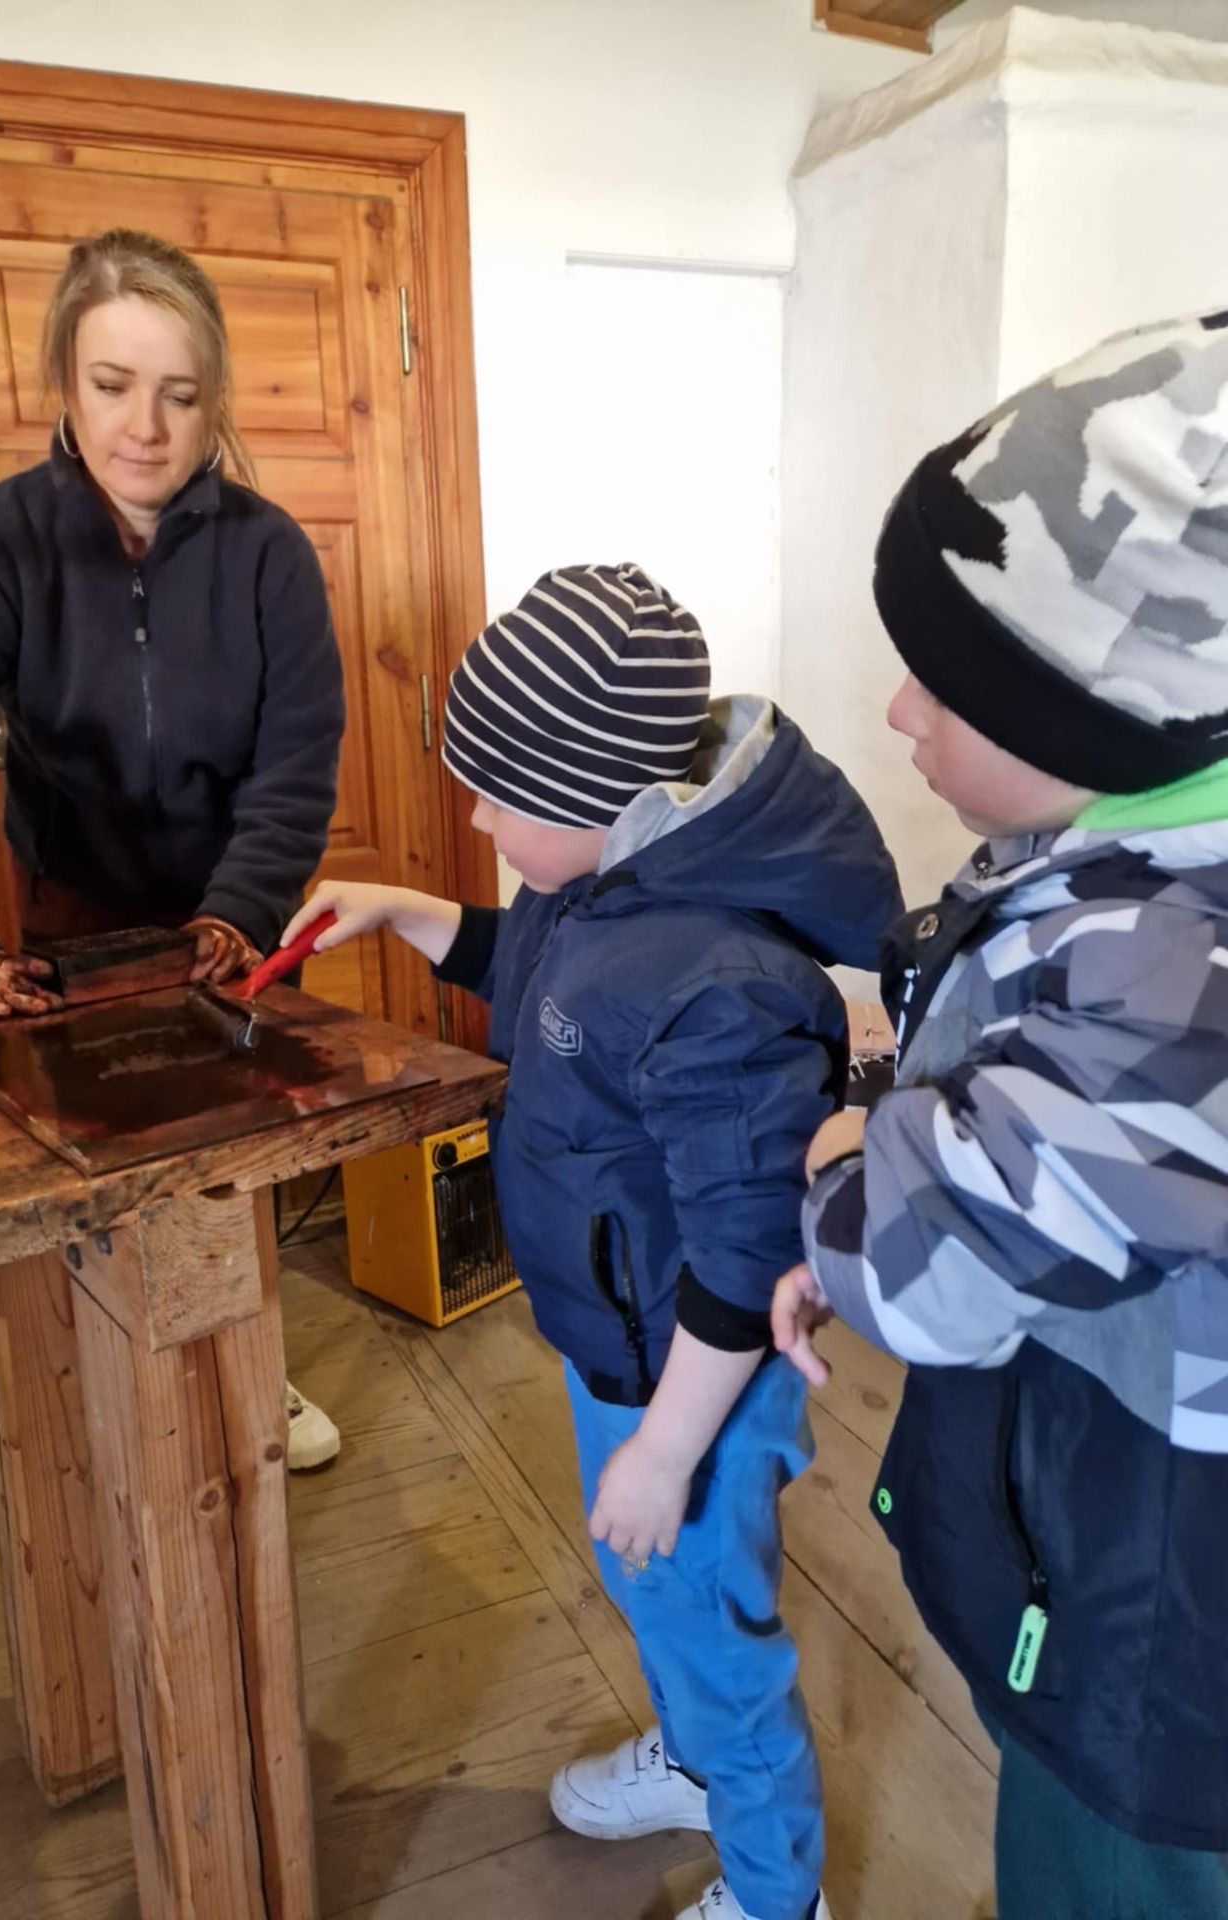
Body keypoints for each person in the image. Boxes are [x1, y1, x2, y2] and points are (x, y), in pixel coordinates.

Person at [281, 563, 902, 1920]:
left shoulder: (717, 984)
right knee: (653, 1585)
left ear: (595, 799)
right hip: (623, 1344)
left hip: (698, 1378)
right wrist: (398, 909)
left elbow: (747, 1253)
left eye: (499, 796)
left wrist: (669, 1450)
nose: (477, 816)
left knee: (716, 1634)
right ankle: (692, 1761)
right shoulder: (607, 885)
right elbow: (535, 968)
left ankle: (777, 1894)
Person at [772, 313, 1228, 1919]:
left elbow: (932, 1276)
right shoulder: (1129, 862)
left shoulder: (1176, 979)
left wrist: (845, 1161)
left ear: (1105, 717)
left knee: (1103, 1873)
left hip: (1162, 1649)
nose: (901, 713)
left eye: (950, 685)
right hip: (1130, 1546)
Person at [0, 228, 344, 1471]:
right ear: (64, 387)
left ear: (212, 398)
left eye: (179, 394)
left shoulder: (270, 555)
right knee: (96, 1160)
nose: (146, 427)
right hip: (71, 912)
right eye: (113, 386)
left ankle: (247, 1369)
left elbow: (295, 767)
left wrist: (240, 911)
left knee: (228, 1157)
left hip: (225, 914)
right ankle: (102, 1388)